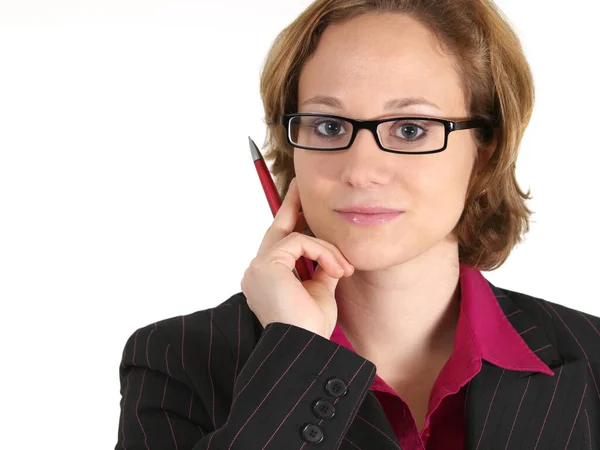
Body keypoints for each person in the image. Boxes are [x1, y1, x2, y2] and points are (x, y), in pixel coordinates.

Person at [114, 0, 600, 449]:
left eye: (411, 129)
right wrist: (295, 353)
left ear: (486, 147)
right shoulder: (176, 361)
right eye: (328, 126)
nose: (361, 170)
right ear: (292, 146)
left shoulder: (592, 357)